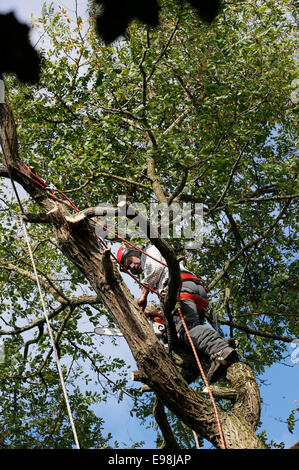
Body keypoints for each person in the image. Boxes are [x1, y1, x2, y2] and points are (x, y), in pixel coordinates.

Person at [117, 244, 238, 383]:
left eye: (129, 261)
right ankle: (218, 355)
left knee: (189, 329)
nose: (132, 266)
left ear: (133, 252)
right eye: (128, 267)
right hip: (194, 289)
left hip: (181, 286)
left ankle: (221, 349)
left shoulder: (149, 251)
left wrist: (143, 295)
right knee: (187, 336)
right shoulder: (150, 262)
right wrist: (157, 313)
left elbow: (156, 269)